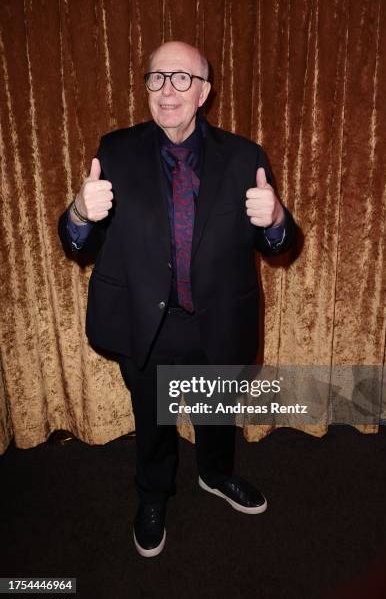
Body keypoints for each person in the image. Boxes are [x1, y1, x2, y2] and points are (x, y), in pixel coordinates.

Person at [58, 41, 296, 558]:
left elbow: (280, 245)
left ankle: (215, 473)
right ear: (145, 87)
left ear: (205, 91)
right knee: (154, 421)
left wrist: (276, 220)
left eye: (182, 78)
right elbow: (78, 242)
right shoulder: (115, 151)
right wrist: (79, 212)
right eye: (156, 77)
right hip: (147, 324)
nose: (167, 89)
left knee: (216, 415)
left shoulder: (245, 157)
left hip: (217, 322)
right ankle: (153, 495)